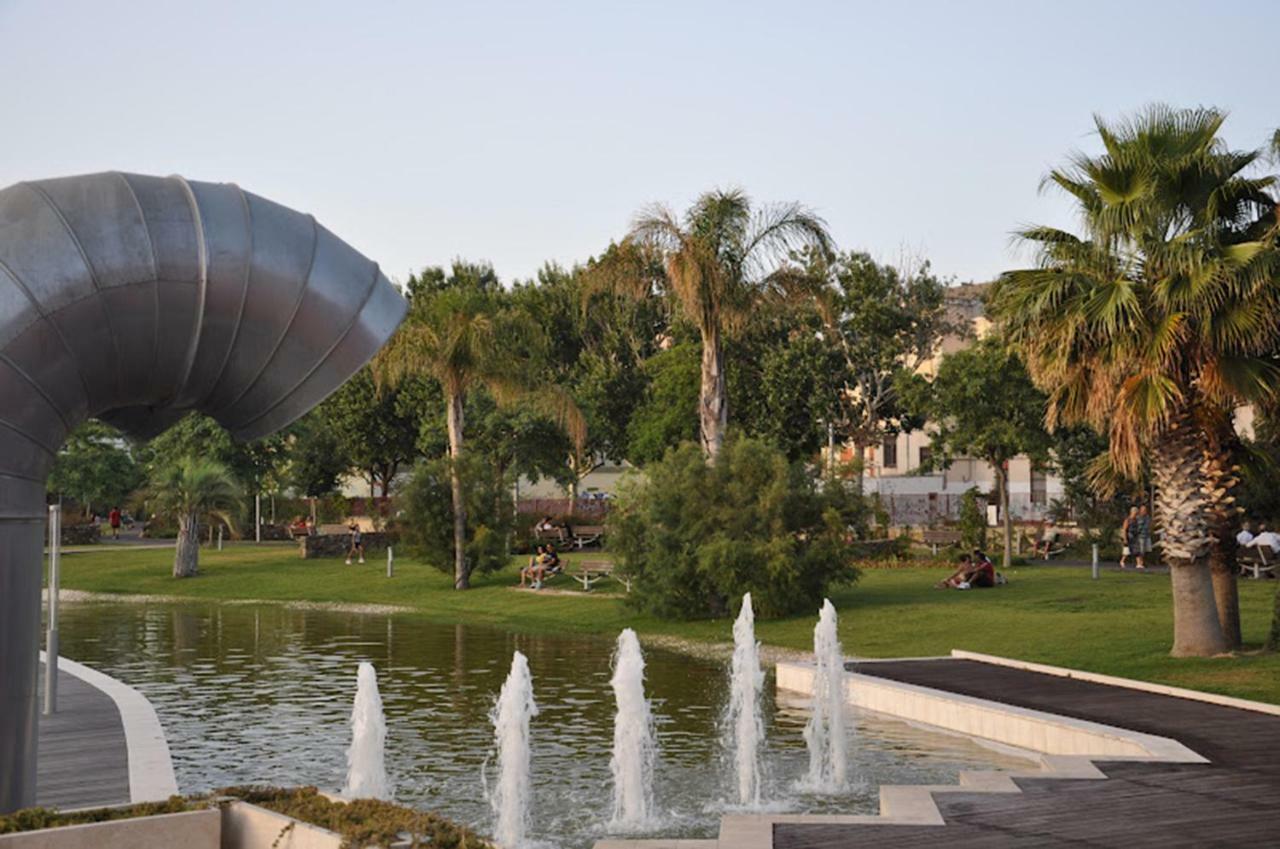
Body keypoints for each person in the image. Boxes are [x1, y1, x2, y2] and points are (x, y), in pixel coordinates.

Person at [1134, 504, 1152, 569]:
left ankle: (1141, 562)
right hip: (1139, 536)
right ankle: (1139, 563)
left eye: (1144, 510)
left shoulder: (1147, 517)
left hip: (1145, 535)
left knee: (1144, 550)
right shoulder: (1137, 517)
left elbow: (1148, 526)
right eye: (1142, 510)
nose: (1143, 511)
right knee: (1139, 549)